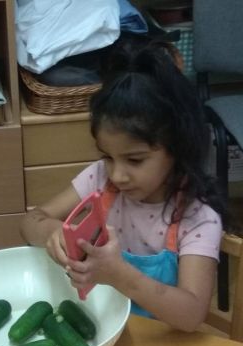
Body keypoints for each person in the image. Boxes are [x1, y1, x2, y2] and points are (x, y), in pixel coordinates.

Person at [20, 38, 226, 331]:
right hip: (104, 328)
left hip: (163, 342)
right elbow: (30, 221)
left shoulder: (197, 217)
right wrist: (52, 232)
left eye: (135, 160)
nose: (117, 175)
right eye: (107, 157)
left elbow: (192, 315)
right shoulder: (100, 180)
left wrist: (119, 275)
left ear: (177, 148)